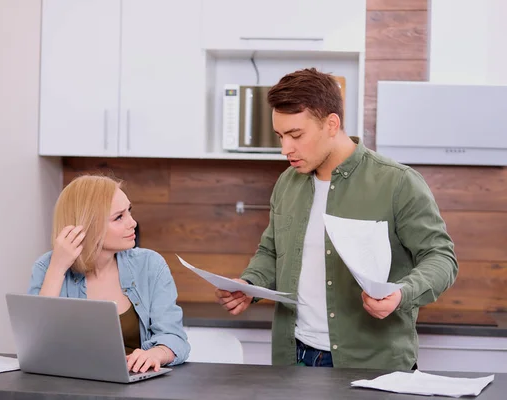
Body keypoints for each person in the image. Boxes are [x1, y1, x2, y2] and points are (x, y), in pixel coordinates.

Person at [215, 68, 458, 370]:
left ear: (332, 124)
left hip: (373, 364)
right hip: (294, 358)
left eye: (296, 135)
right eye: (280, 136)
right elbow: (272, 252)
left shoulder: (397, 183)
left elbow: (441, 257)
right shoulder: (287, 184)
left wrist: (402, 293)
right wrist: (249, 284)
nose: (285, 149)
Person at [28, 174, 190, 373]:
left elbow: (175, 338)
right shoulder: (47, 267)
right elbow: (35, 348)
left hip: (137, 383)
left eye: (129, 212)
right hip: (70, 384)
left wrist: (156, 354)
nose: (133, 223)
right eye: (119, 217)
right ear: (87, 225)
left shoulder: (149, 265)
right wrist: (57, 268)